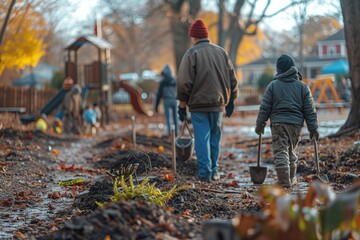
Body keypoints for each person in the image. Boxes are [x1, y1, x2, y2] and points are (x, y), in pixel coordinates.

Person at [176, 19, 239, 183]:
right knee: (215, 138)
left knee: (202, 138)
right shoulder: (221, 52)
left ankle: (205, 173)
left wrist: (182, 106)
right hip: (218, 104)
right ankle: (215, 172)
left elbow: (184, 82)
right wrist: (231, 101)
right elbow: (233, 79)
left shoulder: (191, 53)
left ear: (193, 37)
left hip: (198, 105)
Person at [255, 53, 319, 188]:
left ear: (278, 70)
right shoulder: (302, 87)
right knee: (291, 152)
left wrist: (260, 124)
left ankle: (284, 181)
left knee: (280, 151)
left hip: (278, 123)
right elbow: (310, 109)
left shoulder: (273, 86)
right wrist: (313, 128)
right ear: (293, 68)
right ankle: (291, 178)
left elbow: (265, 108)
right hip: (296, 125)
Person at [154, 64, 179, 136]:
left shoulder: (163, 82)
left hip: (167, 100)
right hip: (175, 100)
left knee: (168, 118)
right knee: (175, 117)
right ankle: (176, 132)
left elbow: (159, 94)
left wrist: (156, 106)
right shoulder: (175, 80)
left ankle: (169, 133)